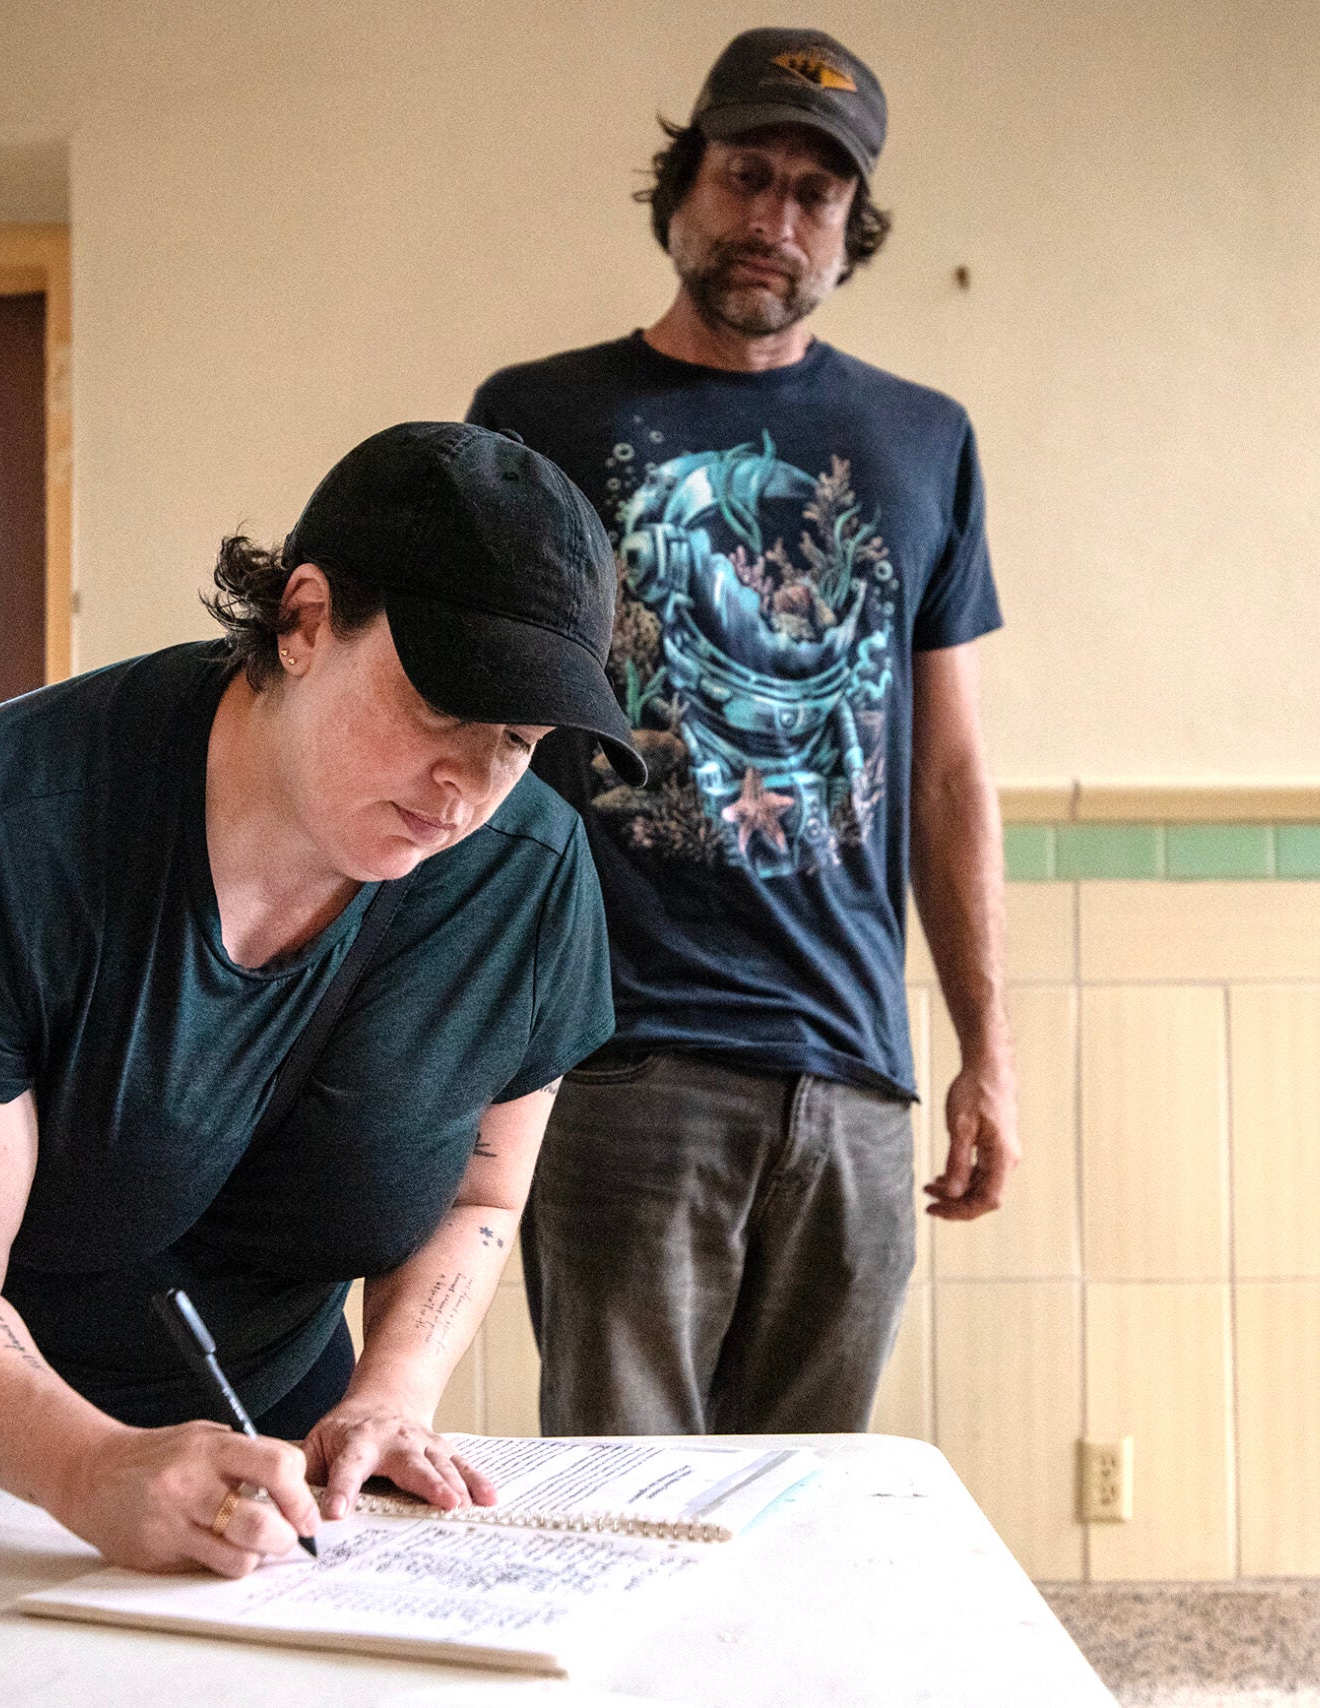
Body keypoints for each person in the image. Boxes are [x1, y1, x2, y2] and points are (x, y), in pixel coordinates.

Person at [0, 422, 643, 1572]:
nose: (467, 784)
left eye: (515, 739)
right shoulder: (14, 818)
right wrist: (87, 1465)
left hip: (238, 1367)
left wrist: (391, 1392)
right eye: (440, 707)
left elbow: (479, 1191)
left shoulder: (526, 885)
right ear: (303, 620)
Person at [467, 27, 1017, 1436]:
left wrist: (986, 1053)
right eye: (745, 173)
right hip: (619, 1061)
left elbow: (949, 776)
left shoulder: (924, 439)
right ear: (682, 187)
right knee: (620, 1514)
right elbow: (479, 739)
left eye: (814, 195)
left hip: (853, 1079)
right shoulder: (538, 419)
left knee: (805, 1520)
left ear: (852, 230)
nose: (774, 218)